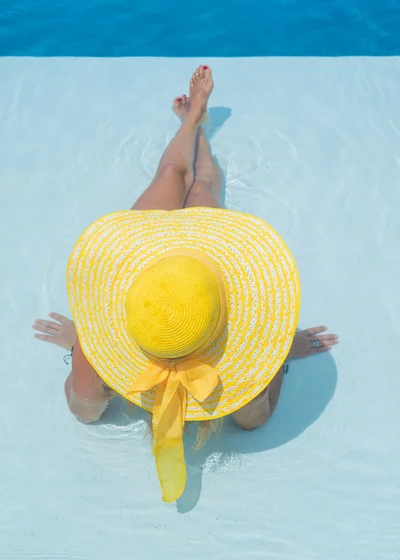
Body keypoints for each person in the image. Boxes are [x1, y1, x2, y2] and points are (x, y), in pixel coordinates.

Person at [33, 66, 338, 502]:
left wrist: (86, 345)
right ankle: (194, 121)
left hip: (146, 269)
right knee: (199, 184)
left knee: (172, 175)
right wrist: (276, 351)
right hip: (197, 269)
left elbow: (85, 413)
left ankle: (192, 121)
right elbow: (257, 416)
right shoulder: (245, 408)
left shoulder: (101, 360)